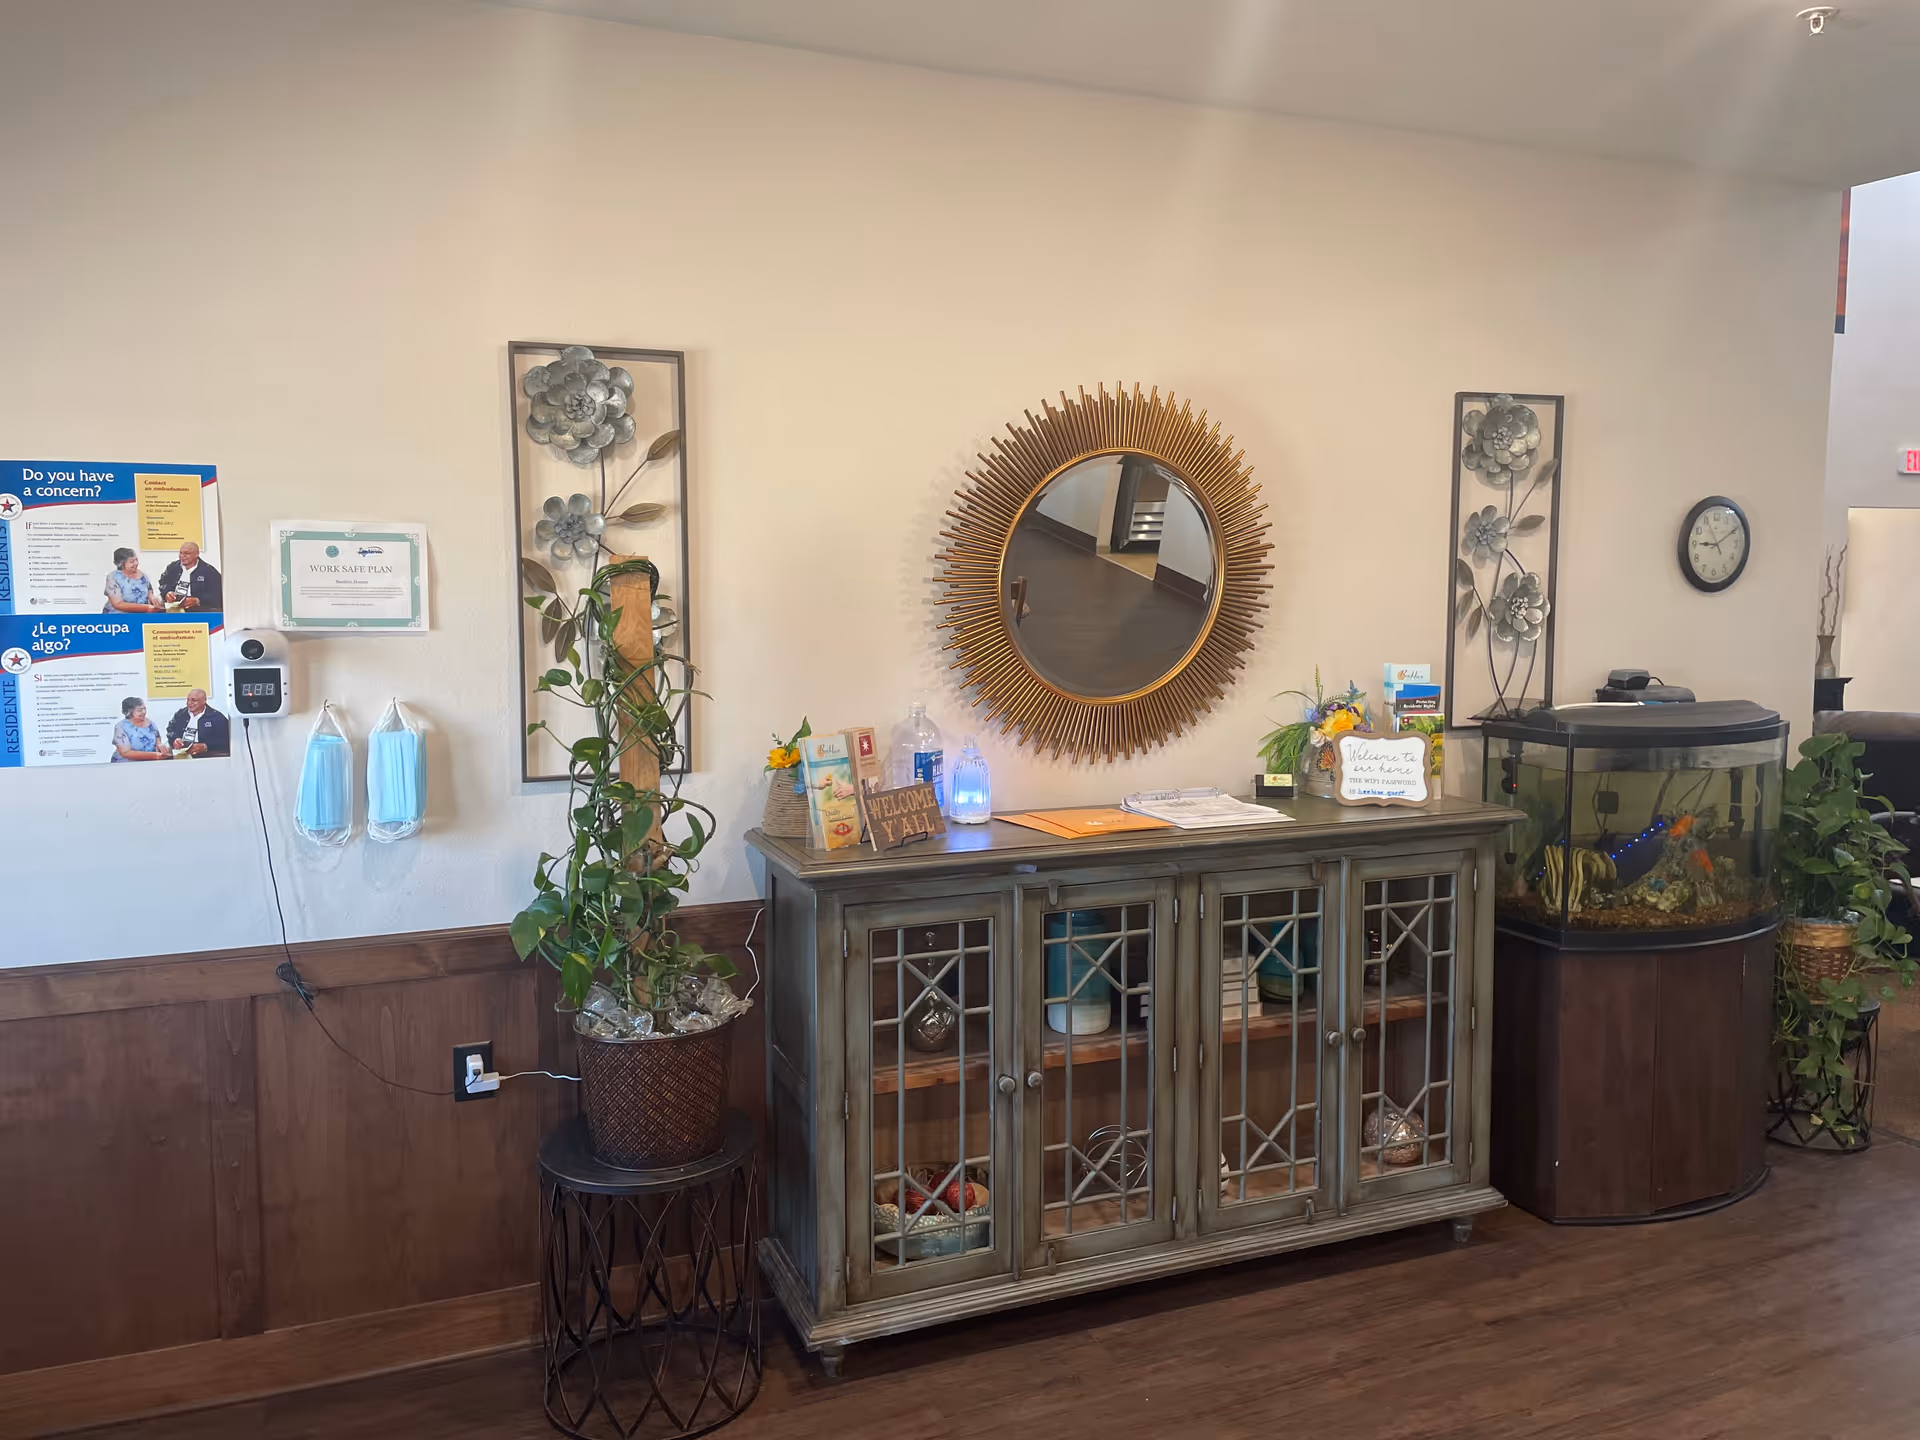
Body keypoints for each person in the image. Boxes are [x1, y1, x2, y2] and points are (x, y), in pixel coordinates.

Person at [158, 541, 223, 612]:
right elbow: (163, 583)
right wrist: (167, 593)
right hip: (173, 608)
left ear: (197, 554)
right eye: (180, 553)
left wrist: (198, 600)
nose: (182, 556)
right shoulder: (173, 567)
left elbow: (217, 595)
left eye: (186, 553)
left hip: (198, 611)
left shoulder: (209, 571)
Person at [164, 688, 230, 757]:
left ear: (204, 701)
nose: (189, 703)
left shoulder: (216, 717)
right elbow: (170, 729)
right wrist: (175, 739)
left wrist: (206, 746)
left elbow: (225, 739)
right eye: (188, 700)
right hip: (182, 752)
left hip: (206, 755)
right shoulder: (180, 714)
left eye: (194, 700)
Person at [102, 549, 164, 614]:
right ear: (121, 564)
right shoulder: (113, 578)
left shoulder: (142, 575)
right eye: (132, 561)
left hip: (140, 614)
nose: (136, 563)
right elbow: (118, 604)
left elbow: (149, 590)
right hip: (117, 617)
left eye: (136, 560)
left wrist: (152, 598)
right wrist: (146, 608)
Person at [111, 697, 171, 761]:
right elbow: (125, 753)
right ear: (129, 712)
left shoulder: (149, 722)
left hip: (149, 762)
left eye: (144, 709)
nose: (144, 712)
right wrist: (154, 756)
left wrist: (159, 745)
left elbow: (157, 737)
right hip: (126, 765)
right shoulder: (121, 727)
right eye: (139, 710)